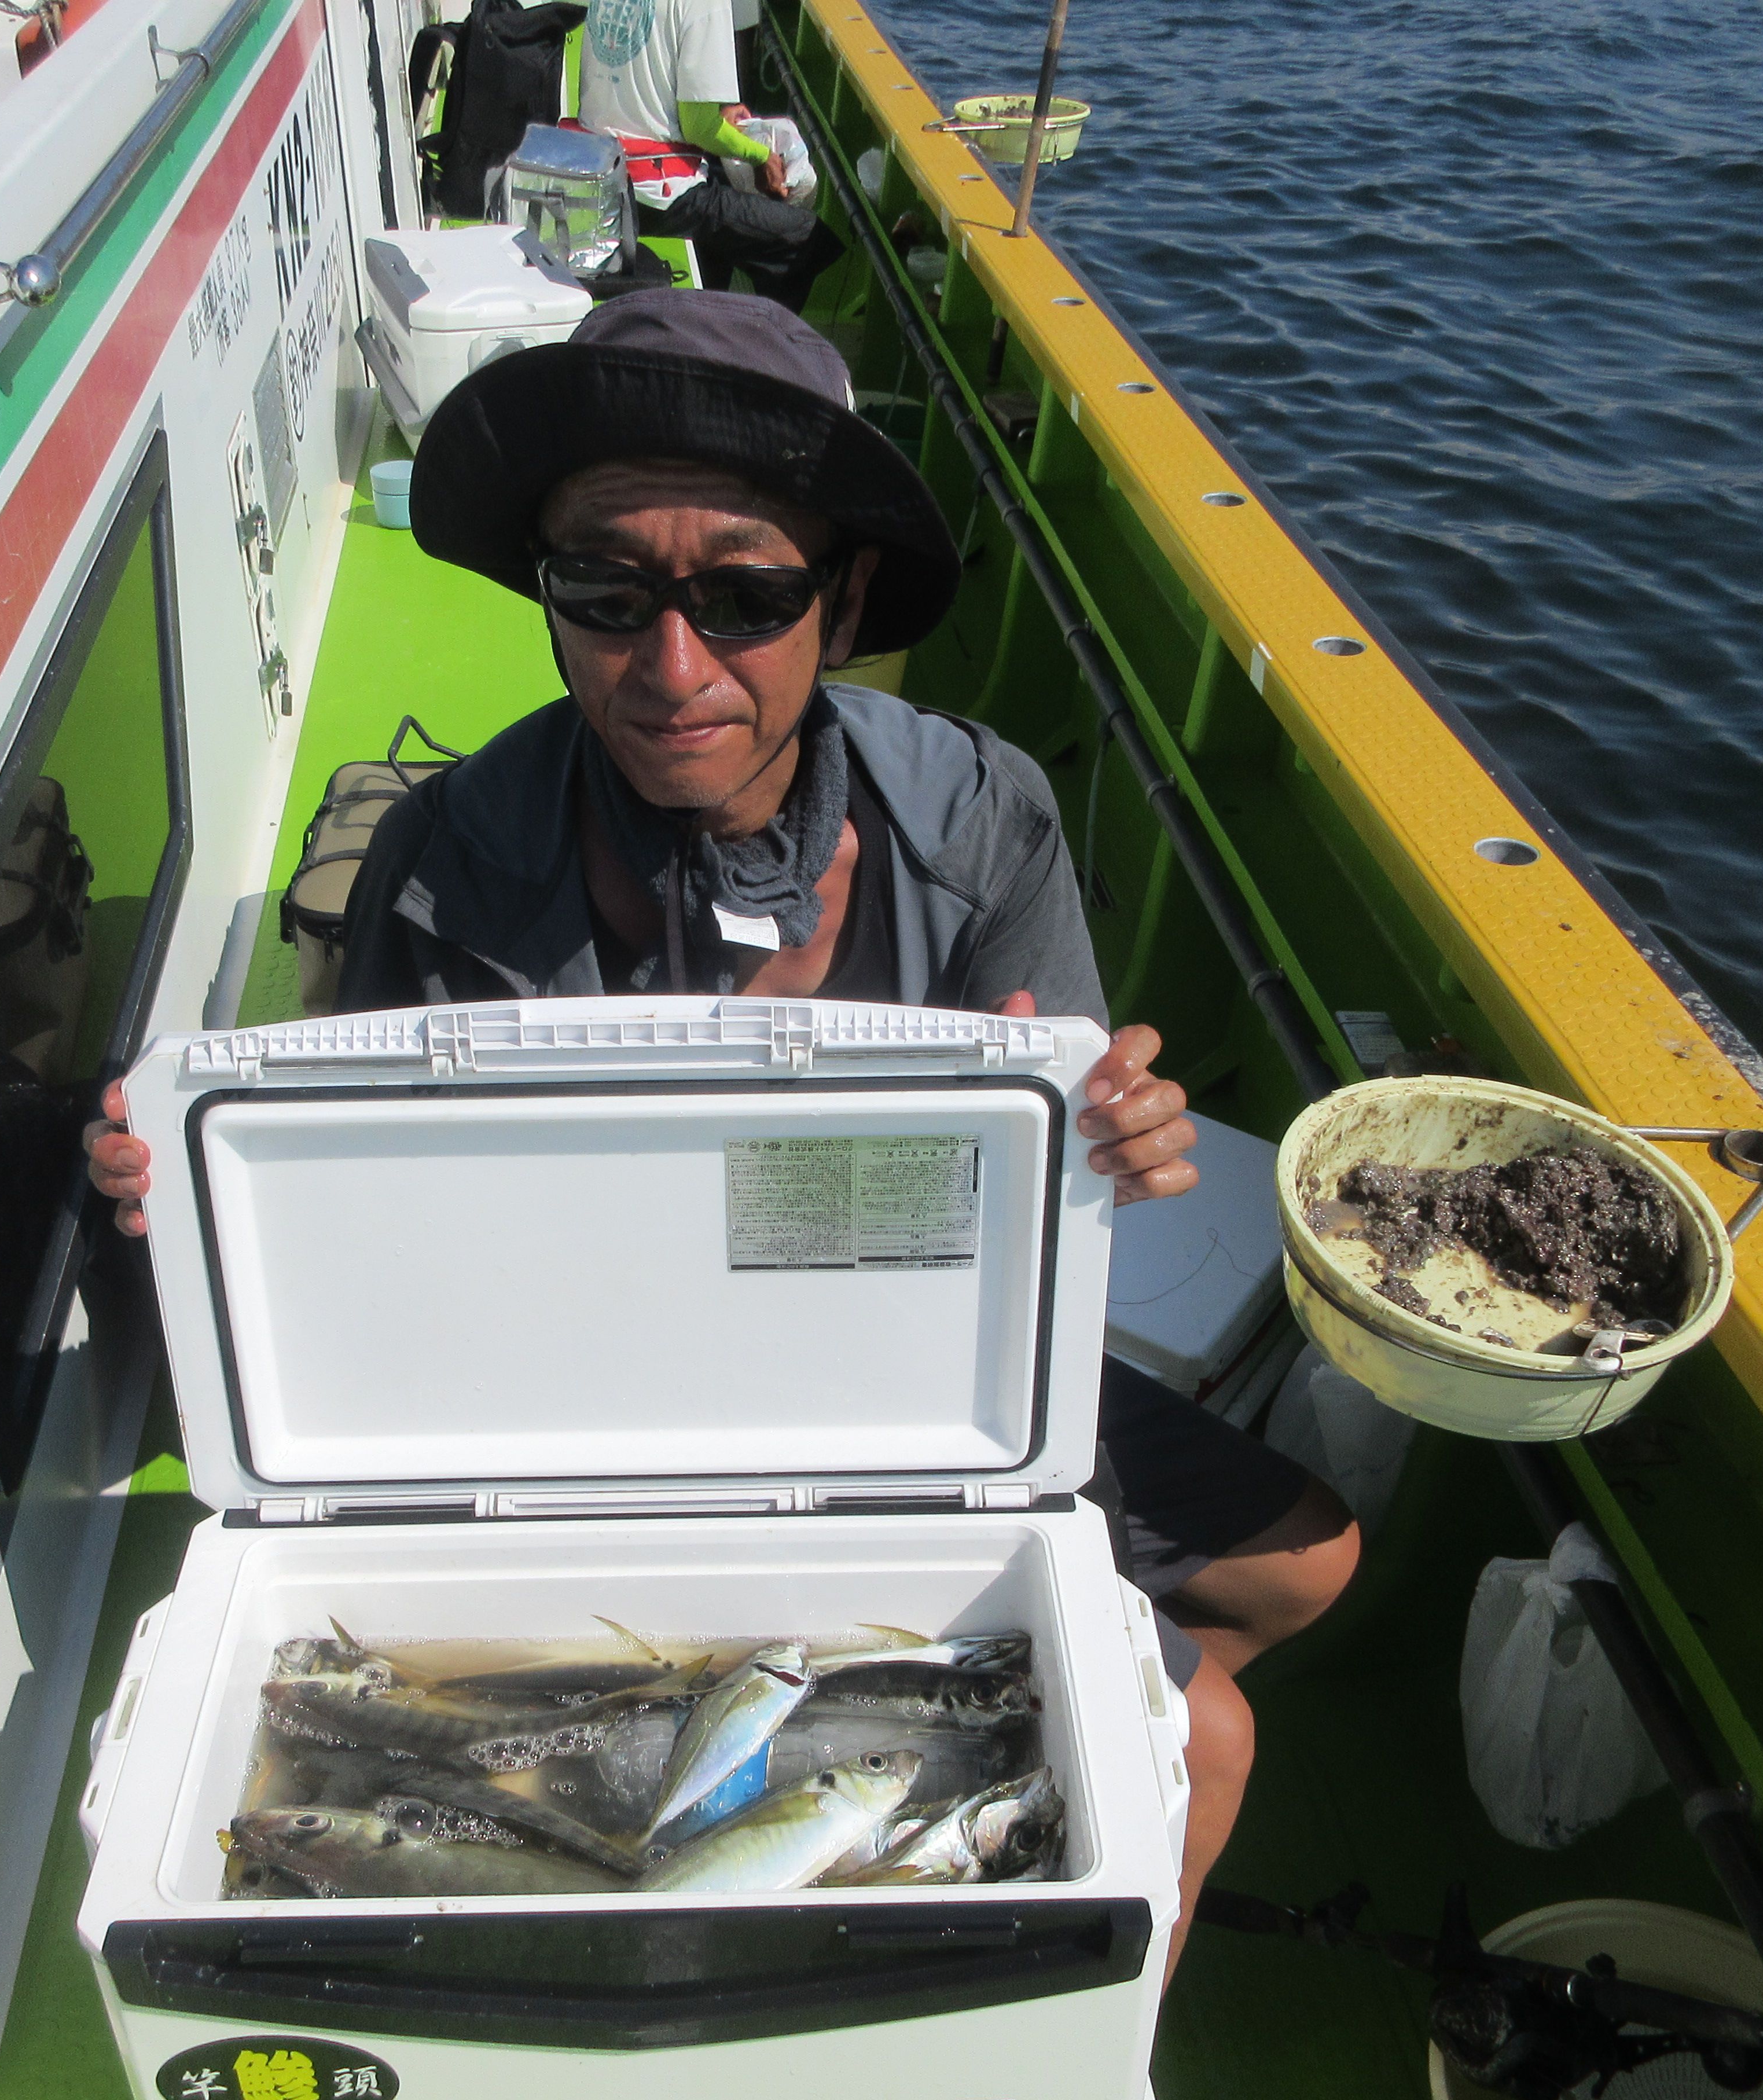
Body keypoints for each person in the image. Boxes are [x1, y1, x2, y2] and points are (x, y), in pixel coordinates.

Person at [86, 291, 1360, 1977]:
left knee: (1305, 1564)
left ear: (843, 600)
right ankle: (988, 1877)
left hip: (894, 1378)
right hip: (575, 1406)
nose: (673, 668)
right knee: (1209, 1741)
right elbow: (368, 1259)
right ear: (550, 597)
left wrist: (1110, 1138)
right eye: (607, 592)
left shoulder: (981, 815)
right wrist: (179, 1203)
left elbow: (1041, 1167)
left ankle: (985, 1772)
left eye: (748, 595)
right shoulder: (445, 862)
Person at [574, 0, 841, 309]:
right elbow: (700, 129)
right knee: (804, 239)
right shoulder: (706, 5)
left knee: (725, 205)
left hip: (596, 172)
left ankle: (708, 309)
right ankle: (757, 335)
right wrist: (762, 157)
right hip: (654, 195)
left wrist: (718, 116)